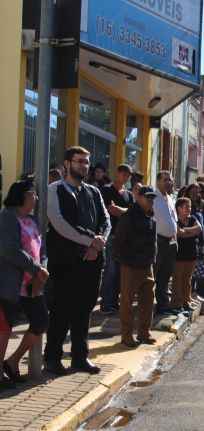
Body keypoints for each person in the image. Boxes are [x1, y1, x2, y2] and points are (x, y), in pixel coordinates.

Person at [44, 146, 110, 375]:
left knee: (84, 309)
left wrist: (97, 245)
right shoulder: (54, 190)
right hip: (66, 262)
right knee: (62, 310)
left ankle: (80, 357)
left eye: (86, 162)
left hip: (92, 260)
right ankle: (52, 358)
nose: (84, 166)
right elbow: (60, 224)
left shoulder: (93, 191)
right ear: (67, 164)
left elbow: (106, 221)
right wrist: (91, 241)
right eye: (79, 161)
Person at [0, 178, 49, 388]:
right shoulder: (7, 217)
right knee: (4, 328)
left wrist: (41, 271)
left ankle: (12, 362)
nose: (36, 198)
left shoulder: (32, 220)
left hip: (32, 285)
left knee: (41, 321)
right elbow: (9, 249)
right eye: (33, 194)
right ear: (21, 195)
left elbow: (41, 250)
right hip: (10, 284)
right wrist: (37, 269)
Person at [112, 186, 158, 348]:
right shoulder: (128, 216)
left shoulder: (151, 217)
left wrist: (152, 259)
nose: (150, 201)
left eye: (152, 198)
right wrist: (122, 258)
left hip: (147, 265)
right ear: (139, 198)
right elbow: (118, 240)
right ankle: (126, 335)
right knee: (127, 302)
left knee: (148, 300)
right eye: (147, 197)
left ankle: (144, 332)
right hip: (131, 265)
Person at [99, 164, 134, 315]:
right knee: (110, 270)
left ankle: (114, 301)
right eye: (124, 174)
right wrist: (125, 212)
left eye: (128, 175)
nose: (126, 177)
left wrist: (120, 211)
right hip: (111, 235)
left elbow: (132, 213)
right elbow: (109, 209)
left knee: (121, 271)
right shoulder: (106, 190)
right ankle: (105, 302)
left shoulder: (129, 195)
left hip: (125, 238)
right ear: (117, 173)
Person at [152, 171, 178, 315]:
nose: (168, 182)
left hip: (171, 243)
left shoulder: (171, 198)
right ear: (158, 181)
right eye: (165, 179)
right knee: (153, 275)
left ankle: (162, 305)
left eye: (170, 180)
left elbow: (173, 220)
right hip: (158, 242)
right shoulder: (153, 198)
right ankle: (148, 306)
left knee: (165, 276)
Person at [171, 197, 202, 315]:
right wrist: (191, 232)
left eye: (189, 206)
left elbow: (199, 229)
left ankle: (186, 301)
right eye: (186, 207)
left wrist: (186, 230)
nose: (189, 208)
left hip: (192, 254)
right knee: (177, 279)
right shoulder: (175, 219)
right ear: (179, 208)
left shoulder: (192, 218)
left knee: (187, 280)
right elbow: (179, 234)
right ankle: (176, 303)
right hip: (179, 255)